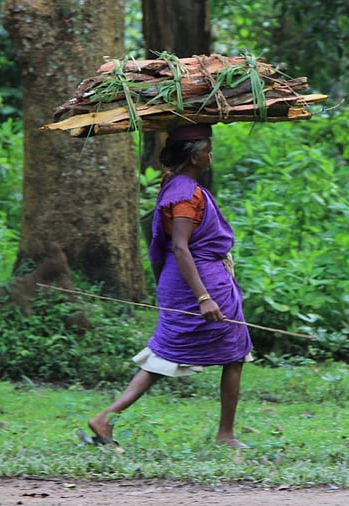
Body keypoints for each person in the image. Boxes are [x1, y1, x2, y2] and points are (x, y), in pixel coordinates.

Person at [80, 123, 253, 449]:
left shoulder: (175, 185)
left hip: (188, 282)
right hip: (199, 284)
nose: (210, 155)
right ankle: (225, 435)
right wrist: (204, 297)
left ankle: (106, 420)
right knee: (234, 354)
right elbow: (180, 246)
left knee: (165, 357)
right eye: (207, 150)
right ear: (195, 157)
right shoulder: (186, 195)